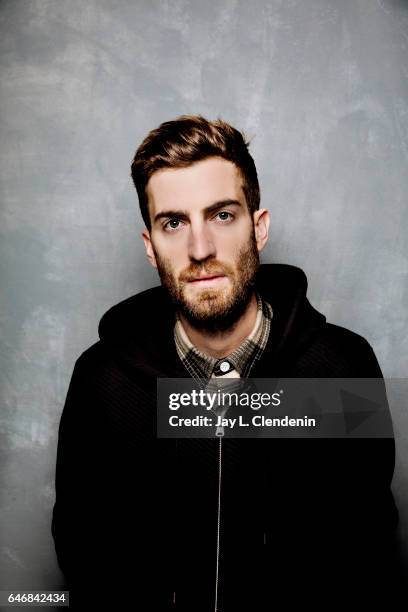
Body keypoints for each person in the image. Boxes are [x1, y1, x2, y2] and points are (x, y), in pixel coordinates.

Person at [51, 115, 403, 610]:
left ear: (259, 229)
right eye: (173, 222)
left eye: (222, 215)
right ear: (150, 247)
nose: (200, 249)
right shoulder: (102, 382)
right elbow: (85, 560)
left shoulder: (341, 367)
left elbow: (367, 559)